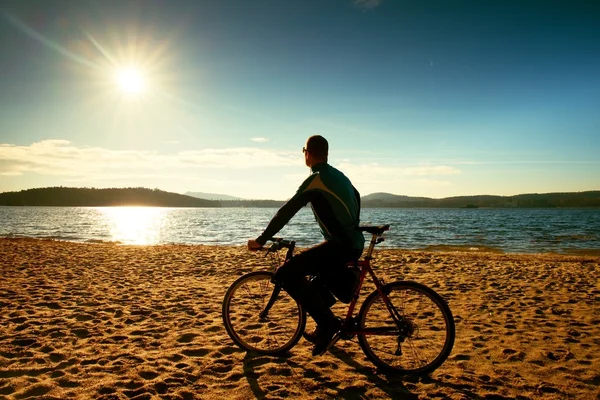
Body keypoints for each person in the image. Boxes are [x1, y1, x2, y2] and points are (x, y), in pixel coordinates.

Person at [248, 135, 365, 356]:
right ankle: (324, 327)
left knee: (286, 273)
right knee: (315, 277)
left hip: (340, 245)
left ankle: (329, 325)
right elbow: (357, 196)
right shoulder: (340, 176)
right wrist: (351, 226)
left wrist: (261, 239)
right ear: (327, 153)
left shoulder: (316, 178)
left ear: (307, 153)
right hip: (352, 242)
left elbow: (288, 210)